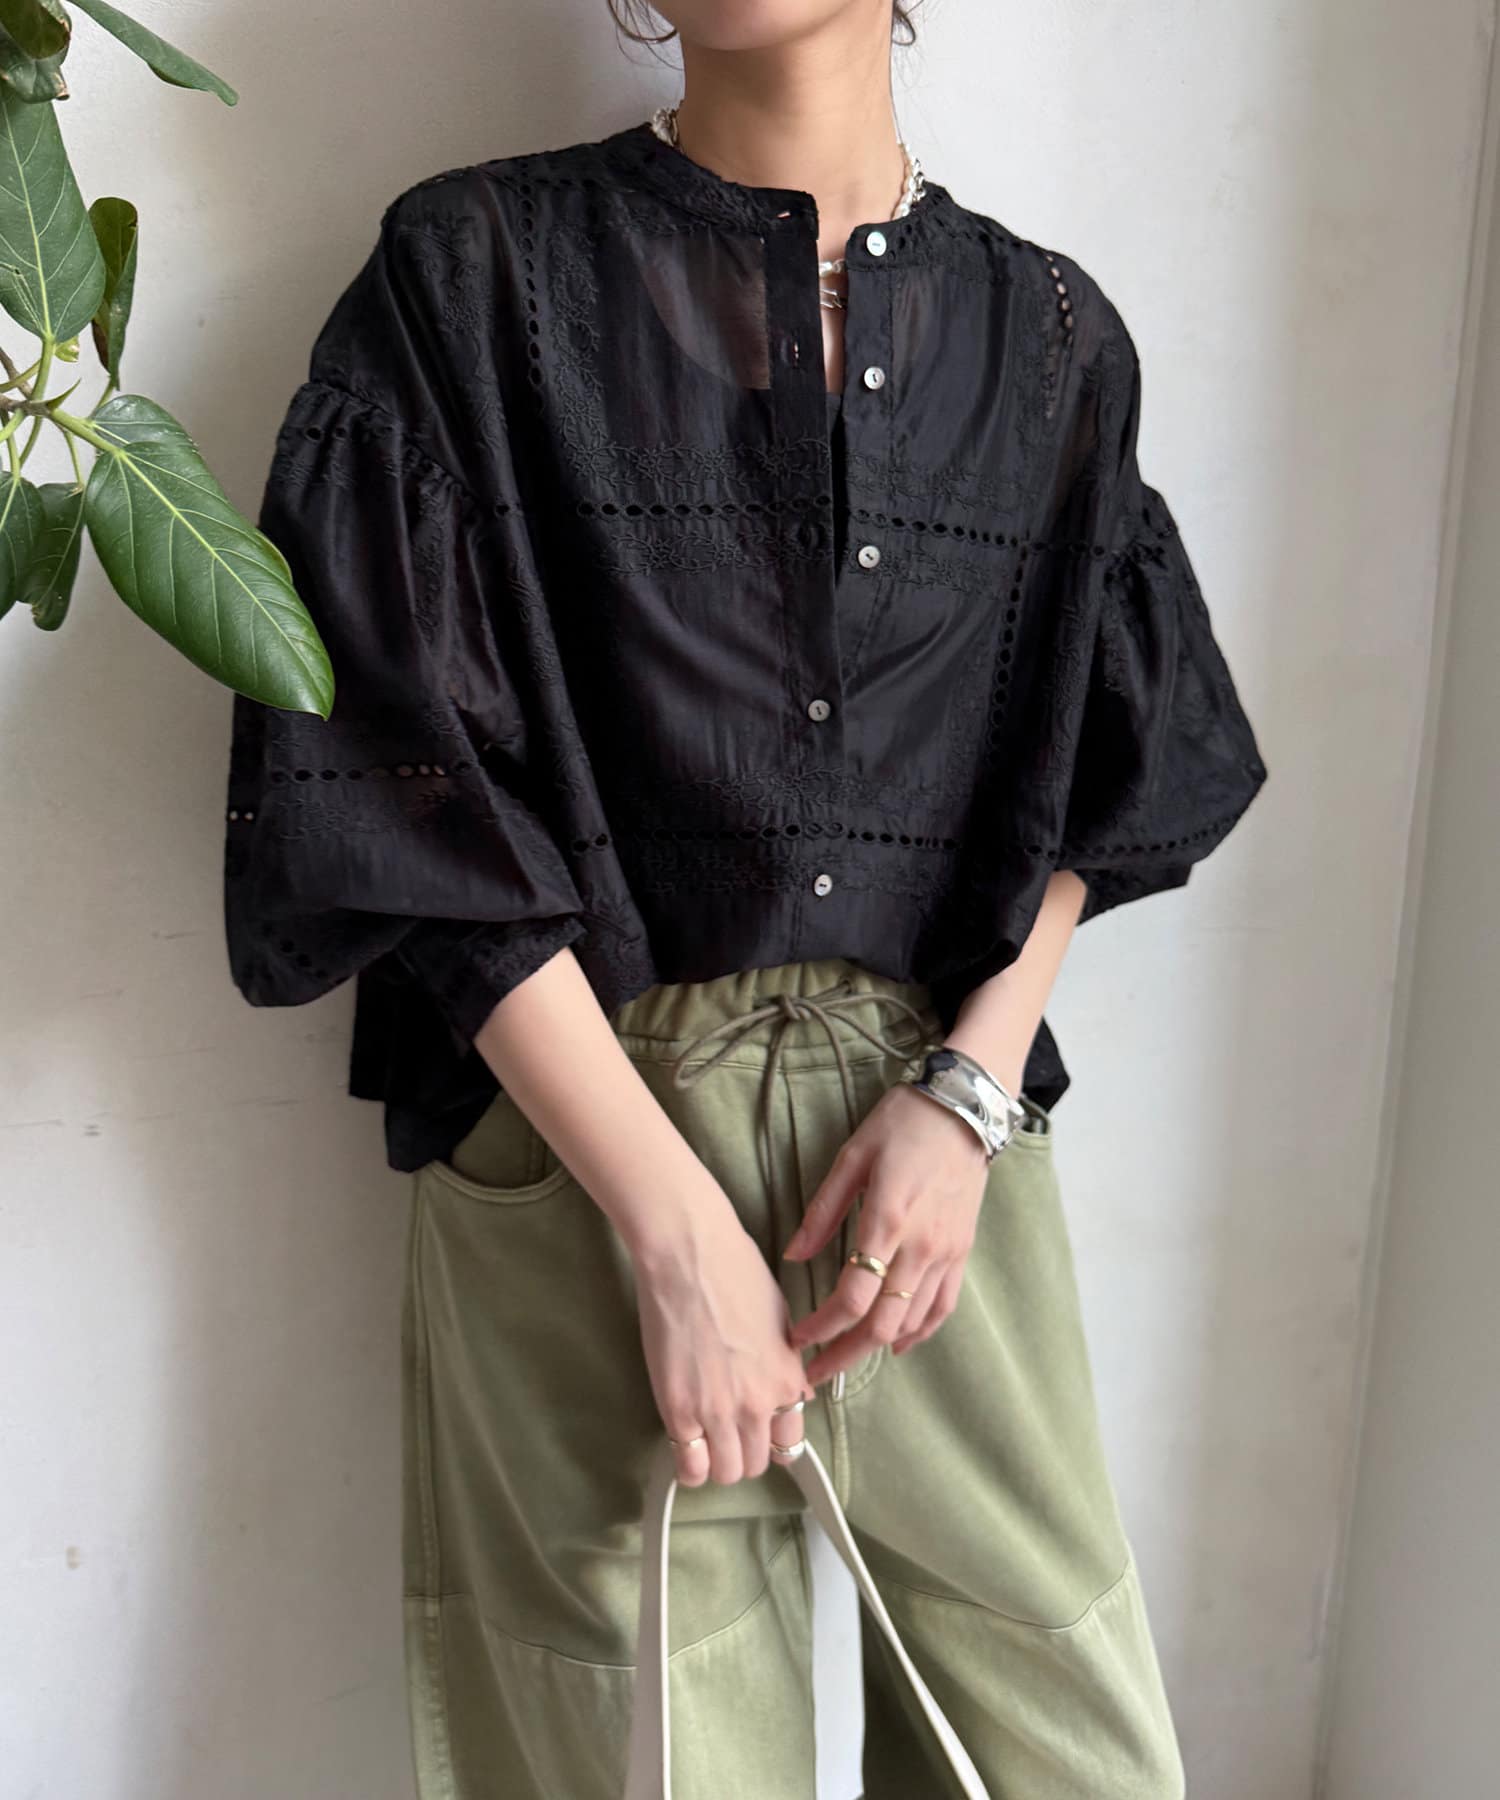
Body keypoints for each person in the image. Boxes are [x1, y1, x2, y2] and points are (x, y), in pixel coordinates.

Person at [222, 1, 1267, 1793]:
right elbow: (387, 770)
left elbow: (1121, 756)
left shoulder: (1051, 334)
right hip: (587, 1139)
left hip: (930, 1158)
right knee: (640, 1750)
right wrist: (670, 1228)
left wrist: (969, 1093)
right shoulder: (472, 273)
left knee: (1072, 1749)